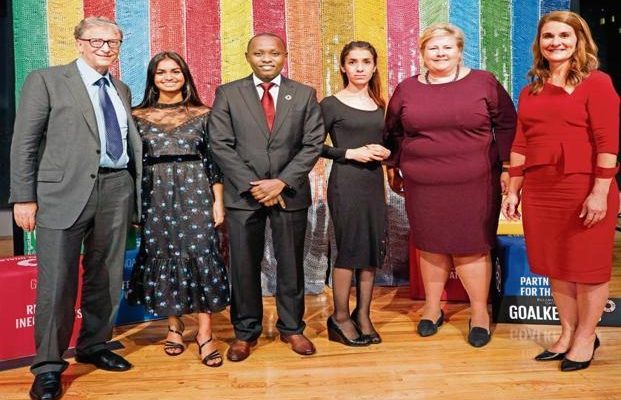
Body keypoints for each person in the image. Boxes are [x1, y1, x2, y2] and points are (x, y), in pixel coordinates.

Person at [9, 17, 141, 400]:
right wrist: (24, 197)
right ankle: (48, 366)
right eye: (97, 41)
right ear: (79, 43)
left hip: (116, 189)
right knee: (57, 282)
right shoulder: (46, 80)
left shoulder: (121, 88)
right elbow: (25, 142)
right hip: (61, 194)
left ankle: (94, 345)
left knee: (107, 275)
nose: (106, 48)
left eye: (113, 41)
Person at [384, 23, 516, 347]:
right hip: (423, 184)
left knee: (472, 245)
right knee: (430, 244)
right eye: (433, 48)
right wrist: (393, 165)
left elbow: (507, 124)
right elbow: (393, 131)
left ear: (459, 50)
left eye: (447, 47)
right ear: (422, 53)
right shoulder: (406, 88)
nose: (440, 53)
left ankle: (479, 313)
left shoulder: (484, 82)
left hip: (476, 182)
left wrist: (508, 166)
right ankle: (432, 309)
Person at [502, 11, 619, 371]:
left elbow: (608, 142)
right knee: (557, 265)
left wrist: (600, 192)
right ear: (539, 43)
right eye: (549, 36)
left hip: (585, 187)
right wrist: (513, 190)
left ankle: (586, 336)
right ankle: (567, 333)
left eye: (564, 35)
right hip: (541, 189)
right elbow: (521, 143)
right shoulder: (531, 90)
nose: (556, 42)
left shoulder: (597, 83)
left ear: (579, 40)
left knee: (588, 267)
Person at [209, 33, 324, 361]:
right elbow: (220, 144)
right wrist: (255, 186)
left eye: (274, 53)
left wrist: (281, 182)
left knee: (291, 263)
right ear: (248, 57)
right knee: (244, 265)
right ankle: (245, 332)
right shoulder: (228, 94)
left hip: (289, 193)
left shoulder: (304, 94)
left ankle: (292, 327)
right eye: (259, 53)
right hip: (244, 196)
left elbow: (313, 143)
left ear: (284, 56)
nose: (266, 59)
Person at [126, 52, 230, 367]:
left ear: (185, 75)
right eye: (161, 72)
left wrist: (218, 201)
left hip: (196, 191)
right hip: (154, 194)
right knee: (164, 254)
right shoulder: (136, 116)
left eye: (175, 71)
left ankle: (205, 333)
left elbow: (215, 162)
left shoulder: (205, 113)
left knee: (201, 255)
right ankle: (174, 326)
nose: (169, 77)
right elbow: (132, 165)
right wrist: (134, 207)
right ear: (152, 78)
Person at [320, 41, 390, 346]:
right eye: (353, 62)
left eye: (365, 62)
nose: (359, 68)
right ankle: (340, 317)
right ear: (343, 67)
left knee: (370, 249)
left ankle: (363, 315)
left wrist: (387, 152)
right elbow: (312, 145)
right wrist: (349, 152)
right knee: (350, 249)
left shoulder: (381, 105)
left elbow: (392, 143)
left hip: (373, 182)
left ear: (374, 67)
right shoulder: (331, 104)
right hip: (345, 182)